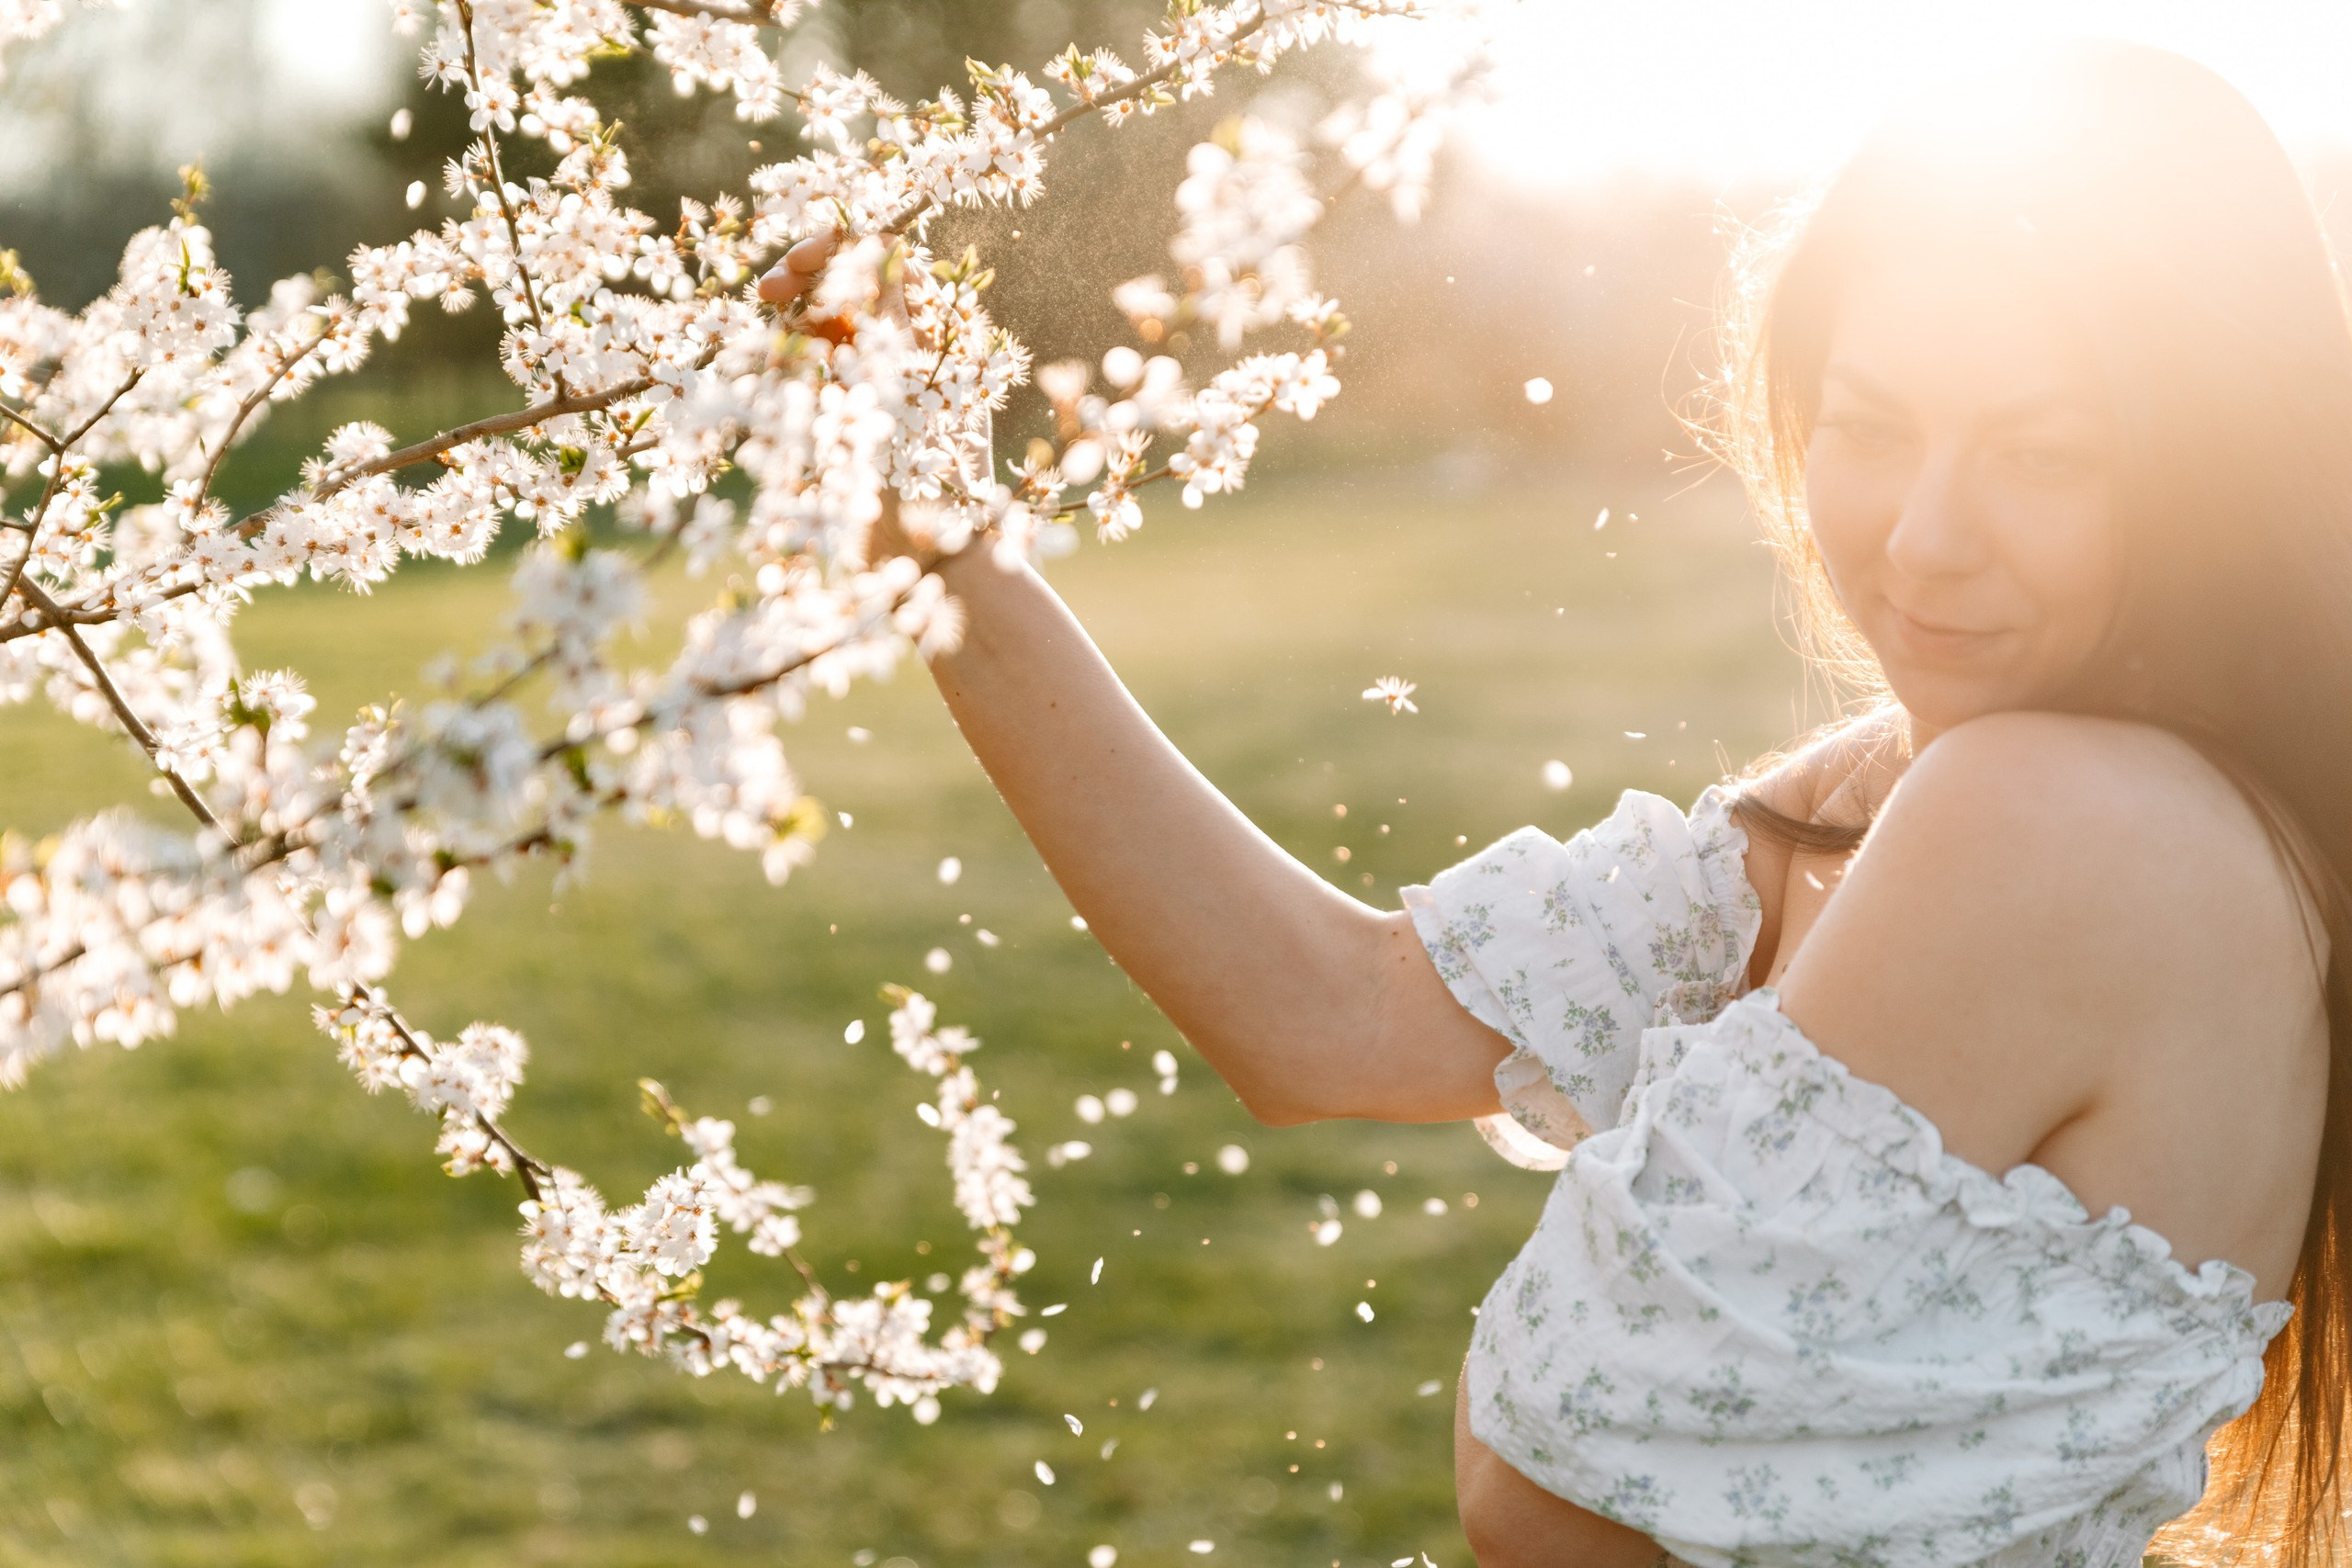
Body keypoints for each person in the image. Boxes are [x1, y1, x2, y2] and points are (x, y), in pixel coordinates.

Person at [759, 40, 2352, 1568]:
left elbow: (1547, 1490)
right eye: (1868, 428)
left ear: (2200, 468)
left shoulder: (2061, 817)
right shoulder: (1922, 783)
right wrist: (947, 535)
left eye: (2044, 455)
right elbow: (1321, 1017)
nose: (1926, 536)